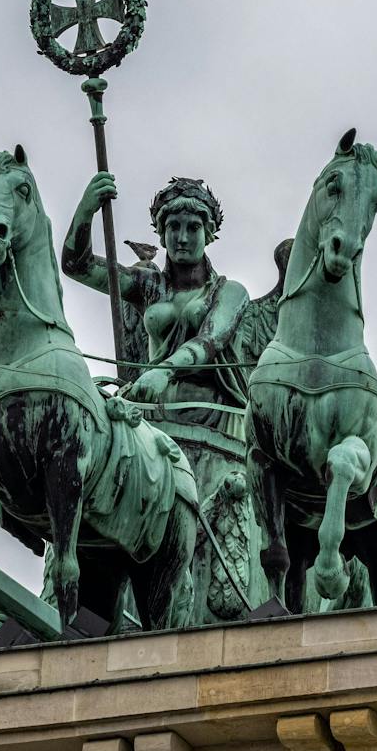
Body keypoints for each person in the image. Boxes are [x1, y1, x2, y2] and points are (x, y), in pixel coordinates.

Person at [63, 175, 263, 617]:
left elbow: (211, 340)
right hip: (151, 420)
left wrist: (163, 371)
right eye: (174, 227)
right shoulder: (146, 285)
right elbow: (76, 265)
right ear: (161, 232)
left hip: (211, 419)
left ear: (210, 232)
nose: (183, 237)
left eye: (193, 227)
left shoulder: (229, 292)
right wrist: (87, 208)